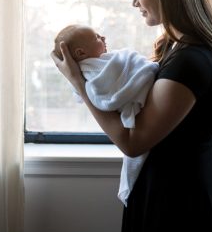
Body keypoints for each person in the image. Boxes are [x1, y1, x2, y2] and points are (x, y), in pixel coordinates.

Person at [51, 0, 212, 232]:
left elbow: (133, 142)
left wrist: (79, 83)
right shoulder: (175, 48)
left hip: (183, 207)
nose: (134, 2)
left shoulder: (190, 62)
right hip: (169, 195)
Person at [52, 23, 159, 206]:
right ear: (81, 53)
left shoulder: (104, 63)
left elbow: (126, 63)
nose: (103, 38)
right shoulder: (94, 73)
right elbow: (105, 95)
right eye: (97, 37)